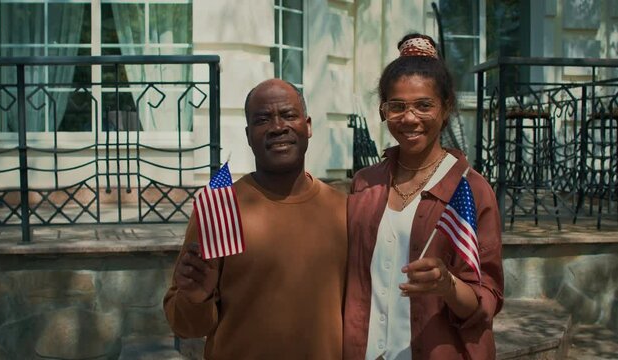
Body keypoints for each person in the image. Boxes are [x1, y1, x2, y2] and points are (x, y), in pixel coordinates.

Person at [343, 34, 504, 359]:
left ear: (446, 108)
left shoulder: (470, 190)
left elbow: (487, 299)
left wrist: (447, 285)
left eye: (423, 105)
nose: (410, 117)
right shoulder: (365, 184)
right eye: (397, 106)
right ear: (383, 110)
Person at [163, 79, 348, 359]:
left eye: (288, 115)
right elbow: (186, 326)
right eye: (263, 119)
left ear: (308, 126)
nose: (277, 127)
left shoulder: (343, 209)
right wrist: (195, 298)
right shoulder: (220, 209)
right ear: (249, 135)